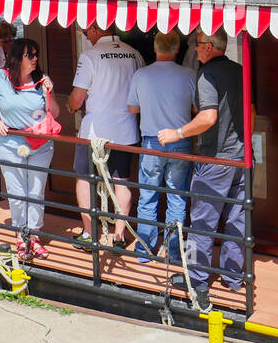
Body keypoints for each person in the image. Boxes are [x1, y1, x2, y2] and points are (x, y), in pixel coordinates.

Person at [158, 29, 245, 310]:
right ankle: (233, 277)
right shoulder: (239, 70)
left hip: (215, 159)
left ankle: (197, 280)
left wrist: (177, 133)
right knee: (236, 217)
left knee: (202, 222)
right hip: (240, 156)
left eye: (197, 45)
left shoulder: (207, 75)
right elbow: (250, 111)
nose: (195, 50)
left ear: (208, 47)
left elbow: (207, 117)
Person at [0, 37, 59, 262]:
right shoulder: (0, 78)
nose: (35, 59)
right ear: (16, 58)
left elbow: (55, 114)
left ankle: (35, 236)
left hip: (40, 145)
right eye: (29, 55)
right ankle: (22, 236)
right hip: (11, 145)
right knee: (18, 193)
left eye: (35, 55)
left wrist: (50, 91)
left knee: (35, 192)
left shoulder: (40, 80)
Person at [67, 23, 142, 247]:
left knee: (84, 178)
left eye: (86, 32)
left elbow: (77, 98)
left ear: (94, 31)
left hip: (94, 131)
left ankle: (90, 233)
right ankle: (119, 236)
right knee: (121, 182)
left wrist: (70, 107)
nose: (86, 37)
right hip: (126, 128)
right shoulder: (134, 53)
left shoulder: (89, 56)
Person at [126, 31, 196, 264]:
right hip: (181, 141)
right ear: (177, 49)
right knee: (177, 198)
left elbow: (132, 109)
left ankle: (145, 250)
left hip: (151, 141)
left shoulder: (141, 75)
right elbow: (197, 109)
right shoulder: (189, 75)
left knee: (147, 196)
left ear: (155, 49)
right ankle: (174, 252)